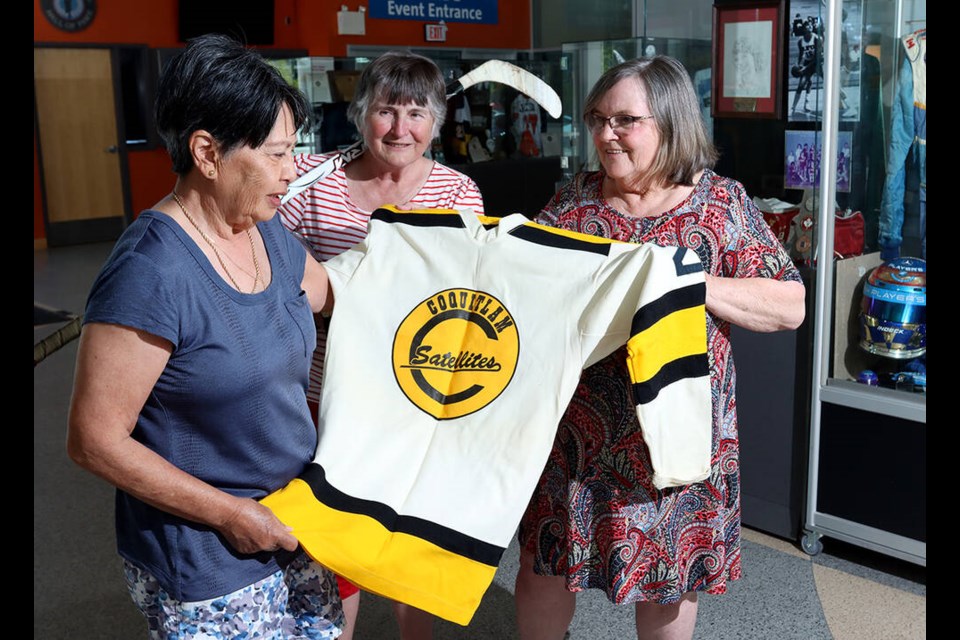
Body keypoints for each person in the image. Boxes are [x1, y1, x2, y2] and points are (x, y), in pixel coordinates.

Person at [513, 56, 806, 640]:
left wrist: (688, 283)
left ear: (670, 122)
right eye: (597, 118)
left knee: (669, 582)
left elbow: (789, 305)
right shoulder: (575, 202)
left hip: (677, 441)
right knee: (544, 567)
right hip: (575, 438)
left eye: (625, 120)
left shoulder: (719, 204)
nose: (605, 134)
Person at [66, 33, 343, 639]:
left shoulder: (266, 231)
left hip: (293, 525)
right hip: (209, 555)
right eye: (274, 154)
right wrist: (230, 514)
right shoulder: (150, 273)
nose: (290, 171)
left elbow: (340, 304)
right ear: (207, 152)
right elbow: (93, 440)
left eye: (292, 150)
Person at [277, 50, 484, 640]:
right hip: (325, 392)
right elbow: (271, 277)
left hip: (417, 402)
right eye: (387, 111)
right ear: (361, 113)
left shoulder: (458, 192)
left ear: (437, 122)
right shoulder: (312, 182)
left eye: (417, 114)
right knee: (333, 552)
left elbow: (466, 298)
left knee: (409, 546)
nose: (400, 130)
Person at [790, 21, 823, 116]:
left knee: (830, 82)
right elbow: (801, 55)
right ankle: (793, 108)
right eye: (808, 26)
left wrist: (805, 68)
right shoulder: (800, 41)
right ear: (804, 29)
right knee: (801, 85)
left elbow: (817, 57)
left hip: (819, 63)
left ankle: (847, 104)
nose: (810, 27)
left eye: (811, 25)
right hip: (808, 62)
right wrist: (798, 64)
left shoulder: (817, 38)